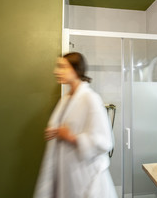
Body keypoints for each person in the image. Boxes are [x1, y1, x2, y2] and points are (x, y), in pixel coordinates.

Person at [34, 52, 117, 198]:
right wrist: (57, 132)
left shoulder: (90, 98)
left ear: (76, 70)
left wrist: (71, 137)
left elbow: (105, 142)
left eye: (62, 67)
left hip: (85, 177)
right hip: (67, 176)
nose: (56, 71)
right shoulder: (65, 100)